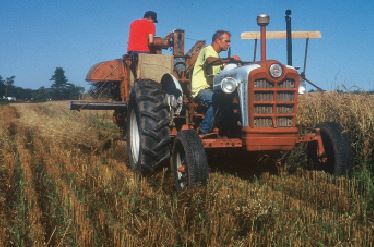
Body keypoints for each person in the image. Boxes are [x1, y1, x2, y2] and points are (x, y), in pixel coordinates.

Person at [192, 30, 240, 134]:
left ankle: (228, 129)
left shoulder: (217, 57)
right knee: (218, 100)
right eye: (227, 41)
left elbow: (225, 69)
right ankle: (203, 131)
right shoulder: (207, 50)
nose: (229, 44)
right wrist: (229, 59)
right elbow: (210, 61)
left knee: (232, 99)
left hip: (213, 90)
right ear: (218, 40)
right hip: (201, 90)